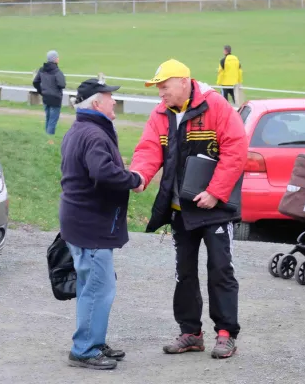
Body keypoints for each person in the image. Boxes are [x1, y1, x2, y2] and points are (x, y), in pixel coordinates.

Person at [130, 59, 248, 359]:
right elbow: (147, 149)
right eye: (158, 88)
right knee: (184, 273)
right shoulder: (160, 114)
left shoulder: (217, 107)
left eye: (164, 87)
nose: (160, 93)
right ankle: (191, 333)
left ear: (184, 82)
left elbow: (236, 150)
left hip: (215, 208)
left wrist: (215, 192)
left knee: (220, 269)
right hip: (180, 209)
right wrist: (141, 176)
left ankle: (225, 334)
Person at [59, 75, 144, 370]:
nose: (115, 101)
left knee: (91, 286)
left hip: (81, 221)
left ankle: (93, 340)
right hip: (90, 225)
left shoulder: (80, 129)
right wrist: (135, 179)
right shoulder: (94, 134)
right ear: (97, 103)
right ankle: (84, 348)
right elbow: (104, 174)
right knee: (98, 288)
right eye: (110, 97)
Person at [32, 50, 66, 135]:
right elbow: (62, 84)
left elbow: (35, 82)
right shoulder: (57, 71)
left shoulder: (42, 70)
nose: (58, 58)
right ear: (54, 59)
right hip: (55, 98)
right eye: (57, 57)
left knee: (48, 118)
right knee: (52, 120)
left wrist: (41, 91)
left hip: (46, 97)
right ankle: (49, 139)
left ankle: (46, 137)